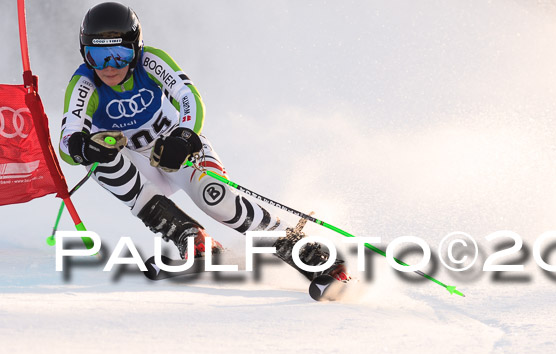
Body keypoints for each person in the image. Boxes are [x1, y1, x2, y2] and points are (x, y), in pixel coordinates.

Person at [59, 1, 348, 282]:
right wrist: (83, 147)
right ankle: (191, 238)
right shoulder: (84, 83)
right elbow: (67, 141)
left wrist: (183, 138)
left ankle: (299, 248)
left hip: (171, 151)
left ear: (135, 50)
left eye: (119, 55)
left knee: (216, 198)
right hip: (138, 169)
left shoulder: (150, 61)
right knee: (99, 160)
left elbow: (189, 97)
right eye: (97, 57)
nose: (109, 67)